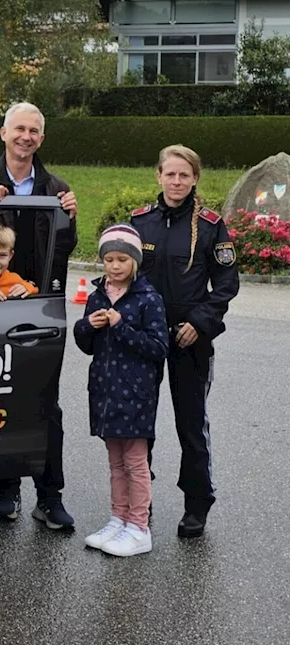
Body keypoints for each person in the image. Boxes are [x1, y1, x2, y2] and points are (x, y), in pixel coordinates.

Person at [0, 102, 78, 531]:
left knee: (44, 404)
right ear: (3, 133)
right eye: (18, 128)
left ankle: (49, 495)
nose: (25, 137)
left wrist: (71, 220)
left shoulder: (55, 187)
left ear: (41, 138)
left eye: (34, 131)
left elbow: (62, 253)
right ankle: (2, 492)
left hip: (33, 309)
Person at [130, 145, 240, 538]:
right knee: (139, 422)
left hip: (189, 337)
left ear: (195, 179)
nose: (176, 181)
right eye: (170, 174)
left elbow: (226, 284)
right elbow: (121, 276)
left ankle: (197, 503)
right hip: (145, 336)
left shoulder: (210, 226)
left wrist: (200, 322)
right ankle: (141, 499)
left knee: (191, 425)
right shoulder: (139, 222)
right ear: (158, 175)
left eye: (184, 175)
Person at [75, 225, 169, 557]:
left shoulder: (148, 298)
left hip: (136, 391)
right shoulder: (97, 295)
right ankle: (118, 518)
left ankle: (139, 526)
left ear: (135, 262)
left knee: (135, 461)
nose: (115, 266)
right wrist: (88, 325)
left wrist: (121, 326)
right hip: (104, 388)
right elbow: (84, 343)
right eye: (109, 259)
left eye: (122, 259)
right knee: (115, 460)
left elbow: (158, 347)